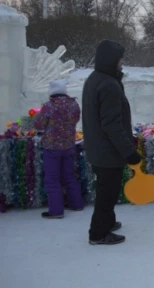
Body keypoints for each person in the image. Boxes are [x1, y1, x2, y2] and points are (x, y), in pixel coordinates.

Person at [82, 40, 142, 245]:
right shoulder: (109, 85)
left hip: (97, 147)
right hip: (107, 150)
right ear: (112, 60)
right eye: (120, 58)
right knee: (107, 193)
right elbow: (112, 125)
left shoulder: (95, 79)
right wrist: (129, 152)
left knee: (106, 189)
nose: (122, 62)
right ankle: (98, 233)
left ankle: (108, 221)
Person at [33, 79, 83, 219]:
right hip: (68, 145)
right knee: (69, 176)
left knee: (52, 179)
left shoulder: (49, 106)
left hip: (52, 146)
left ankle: (56, 211)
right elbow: (75, 120)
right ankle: (76, 204)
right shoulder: (74, 104)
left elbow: (38, 124)